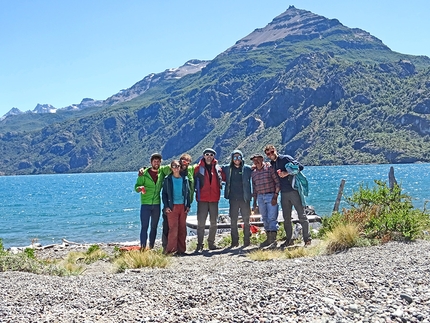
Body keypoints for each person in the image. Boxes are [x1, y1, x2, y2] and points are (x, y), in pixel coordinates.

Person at [264, 144, 311, 247]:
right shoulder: (273, 163)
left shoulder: (285, 158)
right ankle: (289, 240)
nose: (271, 154)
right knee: (286, 218)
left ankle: (307, 239)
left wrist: (287, 173)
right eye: (268, 153)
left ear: (275, 150)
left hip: (293, 190)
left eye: (272, 152)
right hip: (284, 193)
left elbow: (300, 167)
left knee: (301, 215)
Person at [221, 150, 253, 248]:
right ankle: (234, 242)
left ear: (242, 158)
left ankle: (247, 241)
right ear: (232, 159)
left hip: (245, 199)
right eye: (235, 157)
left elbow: (256, 174)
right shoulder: (227, 168)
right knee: (233, 220)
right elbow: (218, 168)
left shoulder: (247, 169)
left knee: (246, 220)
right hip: (233, 199)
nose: (237, 160)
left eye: (239, 157)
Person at [194, 148, 223, 252]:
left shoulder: (218, 168)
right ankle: (199, 245)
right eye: (207, 154)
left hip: (214, 199)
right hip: (202, 199)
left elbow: (225, 177)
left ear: (214, 156)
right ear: (204, 156)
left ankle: (211, 243)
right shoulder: (198, 168)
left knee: (214, 222)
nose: (209, 156)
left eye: (211, 154)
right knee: (201, 223)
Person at [250, 153, 281, 248]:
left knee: (272, 217)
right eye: (254, 160)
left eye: (257, 159)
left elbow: (277, 182)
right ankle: (268, 239)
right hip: (260, 197)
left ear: (262, 159)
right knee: (264, 218)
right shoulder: (254, 173)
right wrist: (254, 202)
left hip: (271, 195)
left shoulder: (269, 169)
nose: (256, 161)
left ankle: (273, 240)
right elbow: (254, 188)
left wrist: (275, 196)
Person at [161, 160, 191, 255]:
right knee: (173, 229)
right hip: (172, 207)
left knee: (182, 228)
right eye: (174, 166)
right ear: (171, 168)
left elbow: (188, 193)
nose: (176, 168)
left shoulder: (185, 179)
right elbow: (164, 194)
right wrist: (166, 206)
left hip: (182, 206)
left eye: (177, 166)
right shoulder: (167, 179)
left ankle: (181, 250)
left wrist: (188, 205)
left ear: (180, 167)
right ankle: (171, 250)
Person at [134, 153, 163, 250]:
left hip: (156, 204)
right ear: (151, 162)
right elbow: (136, 188)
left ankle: (151, 247)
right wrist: (140, 188)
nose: (156, 163)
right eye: (155, 161)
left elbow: (173, 166)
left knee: (154, 227)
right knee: (144, 227)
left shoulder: (161, 173)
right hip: (145, 205)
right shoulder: (143, 174)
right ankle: (142, 248)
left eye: (158, 161)